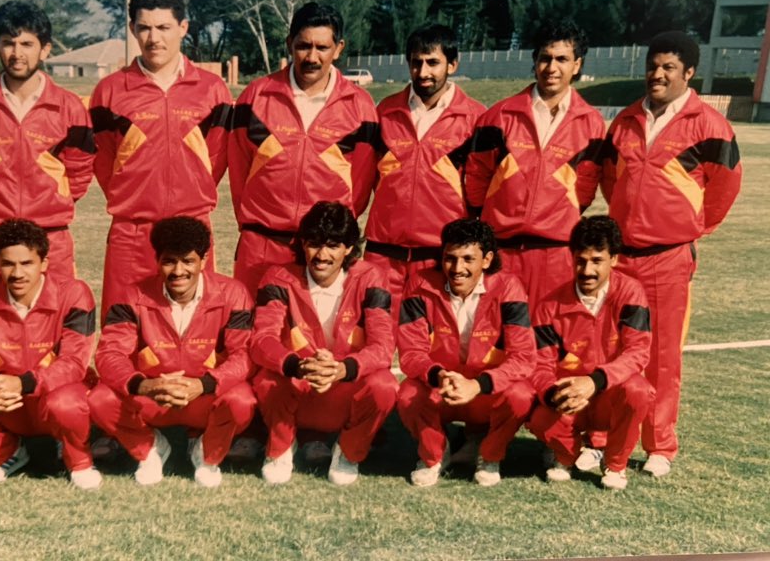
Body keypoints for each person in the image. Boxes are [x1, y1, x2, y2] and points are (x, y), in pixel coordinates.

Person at [600, 31, 741, 478]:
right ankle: (601, 438)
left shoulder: (710, 125)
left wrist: (689, 230)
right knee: (607, 347)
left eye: (668, 68)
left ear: (689, 73)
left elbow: (724, 188)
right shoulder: (624, 121)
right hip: (621, 257)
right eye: (653, 65)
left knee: (662, 354)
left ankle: (659, 445)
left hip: (669, 258)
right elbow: (609, 180)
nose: (657, 74)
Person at [88, 0, 232, 312]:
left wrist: (188, 194)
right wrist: (138, 199)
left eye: (164, 27)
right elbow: (105, 164)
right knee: (124, 329)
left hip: (191, 229)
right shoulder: (110, 92)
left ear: (183, 27)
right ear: (132, 29)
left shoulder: (212, 90)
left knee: (193, 329)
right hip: (131, 233)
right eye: (145, 28)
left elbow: (216, 160)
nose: (154, 38)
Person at [90, 217, 256, 487]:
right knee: (99, 400)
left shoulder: (233, 293)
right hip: (155, 395)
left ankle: (207, 453)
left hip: (204, 394)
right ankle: (151, 448)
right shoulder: (131, 296)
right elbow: (109, 355)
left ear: (203, 260)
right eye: (169, 261)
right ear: (157, 261)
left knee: (242, 402)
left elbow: (244, 356)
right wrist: (145, 385)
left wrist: (203, 384)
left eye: (188, 261)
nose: (178, 271)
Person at [0, 218, 101, 488]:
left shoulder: (73, 293)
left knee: (68, 404)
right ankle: (6, 450)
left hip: (52, 395)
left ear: (44, 263)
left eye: (27, 263)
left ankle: (78, 458)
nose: (17, 274)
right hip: (3, 400)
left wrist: (22, 383)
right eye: (7, 264)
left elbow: (74, 362)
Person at [229, 2, 379, 297]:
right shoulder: (255, 97)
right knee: (252, 337)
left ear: (338, 49)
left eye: (322, 48)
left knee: (317, 340)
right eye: (303, 46)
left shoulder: (360, 107)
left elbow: (358, 188)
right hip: (261, 245)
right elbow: (238, 172)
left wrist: (328, 235)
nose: (312, 57)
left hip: (322, 253)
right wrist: (259, 224)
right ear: (289, 44)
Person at [250, 201, 397, 486]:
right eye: (314, 244)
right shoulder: (278, 277)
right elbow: (261, 340)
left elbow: (383, 346)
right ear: (303, 245)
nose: (322, 255)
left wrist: (342, 369)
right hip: (300, 384)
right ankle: (280, 448)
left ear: (350, 248)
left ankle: (348, 451)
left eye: (333, 245)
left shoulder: (371, 277)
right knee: (267, 379)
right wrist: (298, 366)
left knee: (385, 385)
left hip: (342, 387)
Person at [464, 19, 605, 307]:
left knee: (547, 343)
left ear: (577, 65)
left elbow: (585, 190)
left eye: (562, 59)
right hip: (502, 251)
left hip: (556, 256)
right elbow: (476, 179)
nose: (552, 68)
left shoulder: (592, 124)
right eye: (545, 58)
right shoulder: (499, 116)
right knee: (495, 341)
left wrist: (554, 218)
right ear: (535, 61)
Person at [0, 1, 94, 283]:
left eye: (27, 44)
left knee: (53, 320)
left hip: (50, 236)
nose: (17, 54)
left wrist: (49, 202)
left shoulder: (69, 108)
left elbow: (79, 174)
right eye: (8, 43)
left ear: (45, 49)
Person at [396, 218, 535, 487]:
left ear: (487, 259)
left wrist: (478, 384)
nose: (457, 269)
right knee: (408, 394)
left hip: (484, 391)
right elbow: (411, 352)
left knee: (521, 395)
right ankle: (435, 454)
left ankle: (489, 454)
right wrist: (439, 376)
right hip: (443, 387)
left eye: (468, 259)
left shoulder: (509, 287)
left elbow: (523, 357)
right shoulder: (419, 284)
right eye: (450, 258)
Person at [527, 216, 654, 490]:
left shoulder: (631, 293)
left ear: (614, 259)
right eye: (581, 260)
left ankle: (615, 464)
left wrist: (594, 381)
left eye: (597, 260)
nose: (587, 270)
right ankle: (565, 455)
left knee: (639, 391)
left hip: (609, 395)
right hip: (571, 399)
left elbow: (637, 353)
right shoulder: (549, 305)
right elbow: (540, 366)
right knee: (537, 415)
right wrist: (553, 394)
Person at [364, 23, 485, 295]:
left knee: (432, 338)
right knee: (377, 333)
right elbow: (364, 178)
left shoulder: (475, 118)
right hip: (383, 253)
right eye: (416, 62)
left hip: (440, 255)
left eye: (433, 63)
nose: (423, 72)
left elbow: (481, 192)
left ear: (452, 65)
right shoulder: (384, 112)